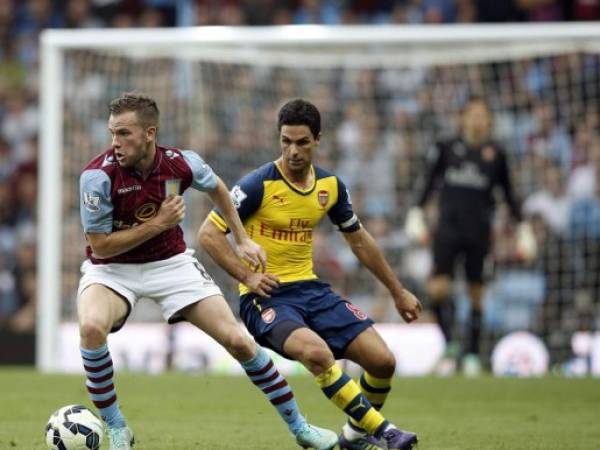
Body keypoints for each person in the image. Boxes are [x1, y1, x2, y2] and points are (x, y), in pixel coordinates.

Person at [77, 93, 338, 450]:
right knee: (91, 328)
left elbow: (217, 187)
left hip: (170, 264)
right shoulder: (97, 176)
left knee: (239, 341)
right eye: (112, 133)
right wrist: (158, 224)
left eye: (124, 134)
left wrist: (243, 238)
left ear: (149, 133)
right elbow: (102, 246)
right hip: (112, 269)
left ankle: (300, 427)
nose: (115, 143)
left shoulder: (180, 164)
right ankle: (117, 427)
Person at [199, 98, 422, 450]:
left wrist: (398, 291)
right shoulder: (258, 184)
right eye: (286, 141)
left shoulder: (330, 187)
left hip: (311, 290)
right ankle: (386, 432)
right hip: (266, 297)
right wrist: (248, 276)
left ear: (318, 140)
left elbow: (359, 241)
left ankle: (353, 436)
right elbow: (208, 235)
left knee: (382, 361)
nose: (293, 151)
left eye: (302, 142)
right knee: (318, 355)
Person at [405, 96, 536, 376]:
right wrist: (416, 211)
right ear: (463, 118)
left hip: (479, 232)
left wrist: (523, 228)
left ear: (489, 121)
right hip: (447, 230)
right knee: (438, 288)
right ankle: (451, 343)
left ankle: (473, 355)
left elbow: (509, 194)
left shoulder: (496, 154)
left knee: (476, 293)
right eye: (472, 114)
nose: (477, 120)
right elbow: (428, 182)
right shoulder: (446, 148)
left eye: (482, 115)